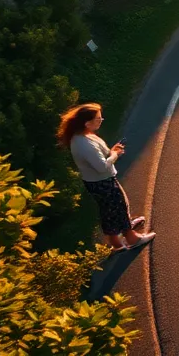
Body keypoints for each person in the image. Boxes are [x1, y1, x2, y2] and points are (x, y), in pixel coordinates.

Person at [59, 103, 155, 253]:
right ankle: (132, 238)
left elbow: (99, 158)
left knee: (109, 210)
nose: (101, 120)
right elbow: (102, 166)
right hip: (102, 181)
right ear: (87, 122)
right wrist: (115, 154)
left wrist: (112, 151)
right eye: (98, 118)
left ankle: (116, 241)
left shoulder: (83, 136)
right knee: (120, 206)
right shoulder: (84, 143)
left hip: (95, 181)